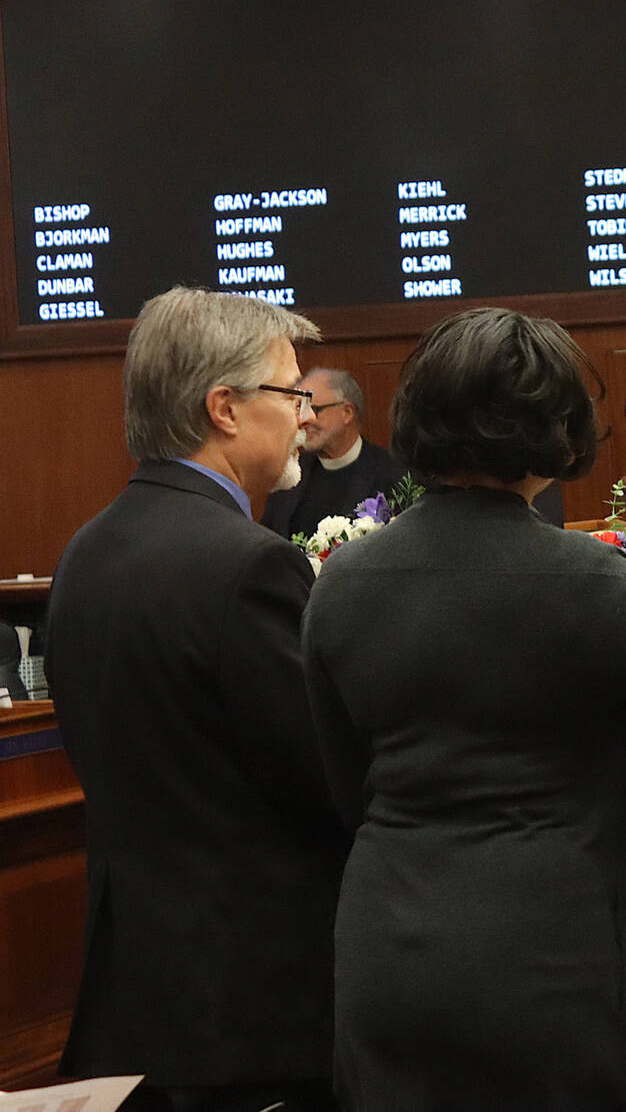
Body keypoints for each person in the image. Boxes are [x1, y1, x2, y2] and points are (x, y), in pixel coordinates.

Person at [301, 307, 626, 1112]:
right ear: (560, 432)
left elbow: (343, 780)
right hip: (546, 957)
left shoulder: (341, 582)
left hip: (383, 947)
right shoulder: (589, 579)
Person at [44, 286, 348, 1112]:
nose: (307, 418)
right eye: (291, 395)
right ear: (223, 407)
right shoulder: (249, 565)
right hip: (253, 1008)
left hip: (140, 994)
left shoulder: (86, 549)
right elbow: (329, 779)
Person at [261, 366, 405, 538]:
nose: (304, 419)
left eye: (315, 409)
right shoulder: (290, 474)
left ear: (347, 412)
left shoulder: (393, 476)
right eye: (299, 408)